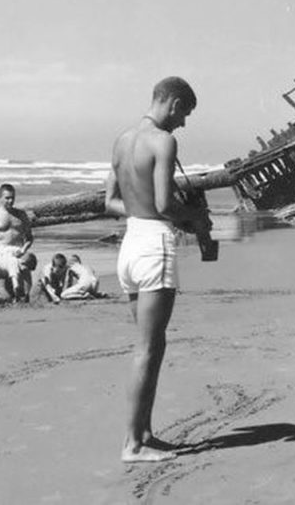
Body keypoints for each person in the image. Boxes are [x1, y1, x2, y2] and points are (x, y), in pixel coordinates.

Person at [104, 76, 210, 463]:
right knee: (148, 348)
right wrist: (195, 217)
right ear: (174, 102)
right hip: (153, 245)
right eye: (185, 113)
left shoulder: (121, 140)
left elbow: (110, 202)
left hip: (130, 245)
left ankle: (144, 432)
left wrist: (142, 209)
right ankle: (132, 443)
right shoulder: (164, 141)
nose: (183, 123)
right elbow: (165, 205)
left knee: (152, 344)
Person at [0, 183, 33, 259]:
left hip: (17, 252)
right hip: (0, 253)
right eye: (7, 198)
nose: (10, 201)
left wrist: (23, 250)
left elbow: (29, 237)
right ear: (0, 197)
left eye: (13, 198)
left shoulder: (21, 215)